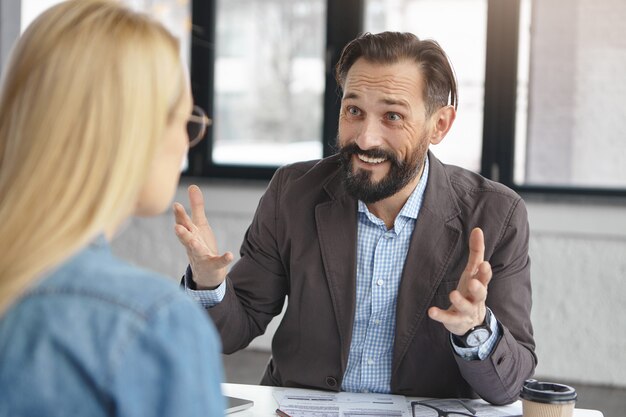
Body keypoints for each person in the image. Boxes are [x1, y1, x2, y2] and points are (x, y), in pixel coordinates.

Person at [175, 31, 536, 405]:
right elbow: (234, 328)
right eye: (354, 111)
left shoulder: (497, 215)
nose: (365, 139)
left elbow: (508, 387)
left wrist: (474, 329)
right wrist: (207, 283)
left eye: (392, 116)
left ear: (439, 125)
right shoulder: (293, 191)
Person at [0, 1, 225, 416]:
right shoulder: (150, 323)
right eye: (185, 122)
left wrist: (206, 281)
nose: (186, 144)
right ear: (135, 132)